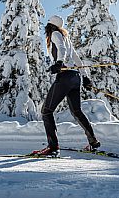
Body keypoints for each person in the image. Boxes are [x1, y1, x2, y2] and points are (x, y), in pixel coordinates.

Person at [31, 15, 100, 156]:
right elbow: (77, 58)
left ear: (50, 25)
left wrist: (59, 63)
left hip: (66, 76)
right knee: (76, 111)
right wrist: (85, 77)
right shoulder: (65, 37)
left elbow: (61, 50)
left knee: (46, 111)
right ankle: (93, 141)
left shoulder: (55, 34)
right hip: (75, 77)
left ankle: (53, 147)